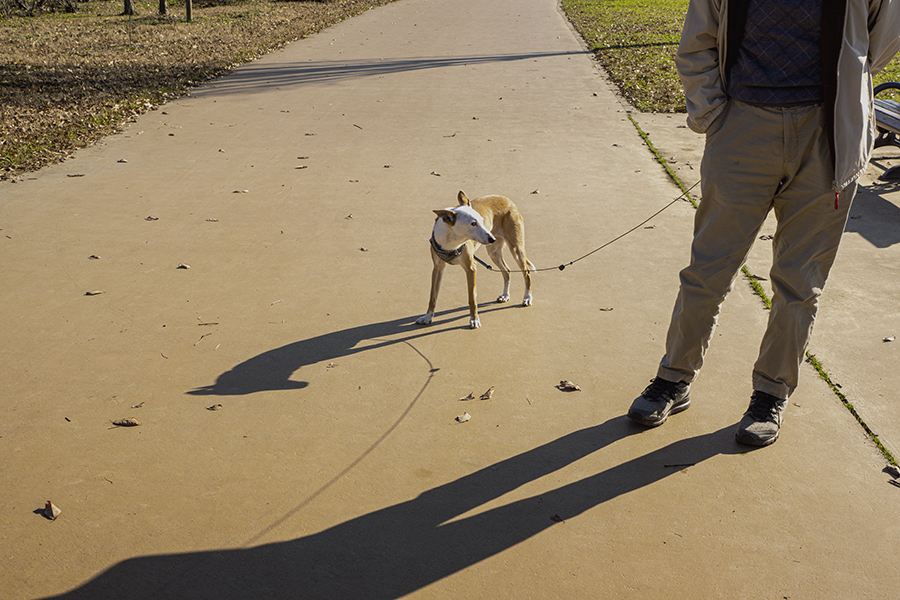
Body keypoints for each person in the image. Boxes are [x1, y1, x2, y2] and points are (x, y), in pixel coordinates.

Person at [627, 0, 900, 446]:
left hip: (827, 135)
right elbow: (697, 40)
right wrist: (714, 113)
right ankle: (673, 377)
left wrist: (845, 90)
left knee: (800, 283)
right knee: (707, 270)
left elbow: (880, 40)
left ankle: (771, 392)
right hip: (742, 128)